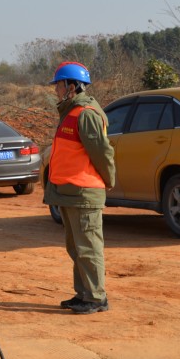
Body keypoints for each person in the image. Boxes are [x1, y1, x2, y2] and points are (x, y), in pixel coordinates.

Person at [44, 61, 116, 315]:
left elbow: (102, 153)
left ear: (72, 86)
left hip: (84, 192)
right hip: (70, 193)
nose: (56, 90)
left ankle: (97, 297)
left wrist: (109, 180)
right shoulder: (71, 112)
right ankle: (84, 293)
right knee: (76, 248)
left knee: (88, 248)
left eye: (59, 85)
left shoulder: (85, 114)